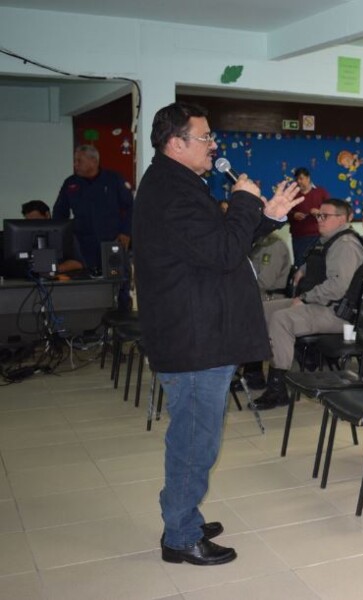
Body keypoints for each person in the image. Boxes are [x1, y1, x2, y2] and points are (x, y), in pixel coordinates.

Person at [133, 101, 301, 566]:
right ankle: (180, 535)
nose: (214, 146)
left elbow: (215, 245)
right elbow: (226, 252)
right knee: (194, 439)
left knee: (197, 435)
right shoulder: (172, 192)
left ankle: (182, 513)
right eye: (205, 138)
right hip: (194, 339)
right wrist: (247, 199)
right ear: (175, 143)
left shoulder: (179, 184)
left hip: (200, 332)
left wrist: (268, 216)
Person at [250, 198, 363, 410]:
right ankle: (253, 370)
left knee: (281, 319)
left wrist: (304, 298)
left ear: (342, 219)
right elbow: (317, 262)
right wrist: (303, 270)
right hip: (319, 305)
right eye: (318, 215)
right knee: (260, 310)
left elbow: (337, 287)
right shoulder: (326, 240)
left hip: (337, 314)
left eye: (325, 216)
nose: (319, 220)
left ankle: (277, 388)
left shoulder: (346, 244)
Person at [52, 144, 133, 272]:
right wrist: (63, 239)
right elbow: (59, 213)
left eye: (79, 161)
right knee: (88, 283)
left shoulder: (113, 179)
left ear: (94, 161)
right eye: (75, 161)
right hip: (83, 244)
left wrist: (126, 232)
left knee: (118, 280)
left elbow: (131, 207)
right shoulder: (71, 183)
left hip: (112, 240)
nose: (75, 164)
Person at [20, 200, 84, 273]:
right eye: (28, 222)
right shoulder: (25, 237)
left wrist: (53, 269)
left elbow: (79, 263)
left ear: (47, 215)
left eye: (36, 220)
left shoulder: (66, 233)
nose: (33, 225)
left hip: (62, 280)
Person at [287, 166, 329, 267]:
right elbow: (285, 213)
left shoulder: (321, 192)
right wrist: (293, 215)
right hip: (299, 237)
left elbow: (330, 212)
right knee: (300, 265)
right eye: (297, 179)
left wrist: (319, 212)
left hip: (319, 235)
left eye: (301, 178)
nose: (299, 181)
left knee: (318, 265)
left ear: (308, 178)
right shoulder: (292, 195)